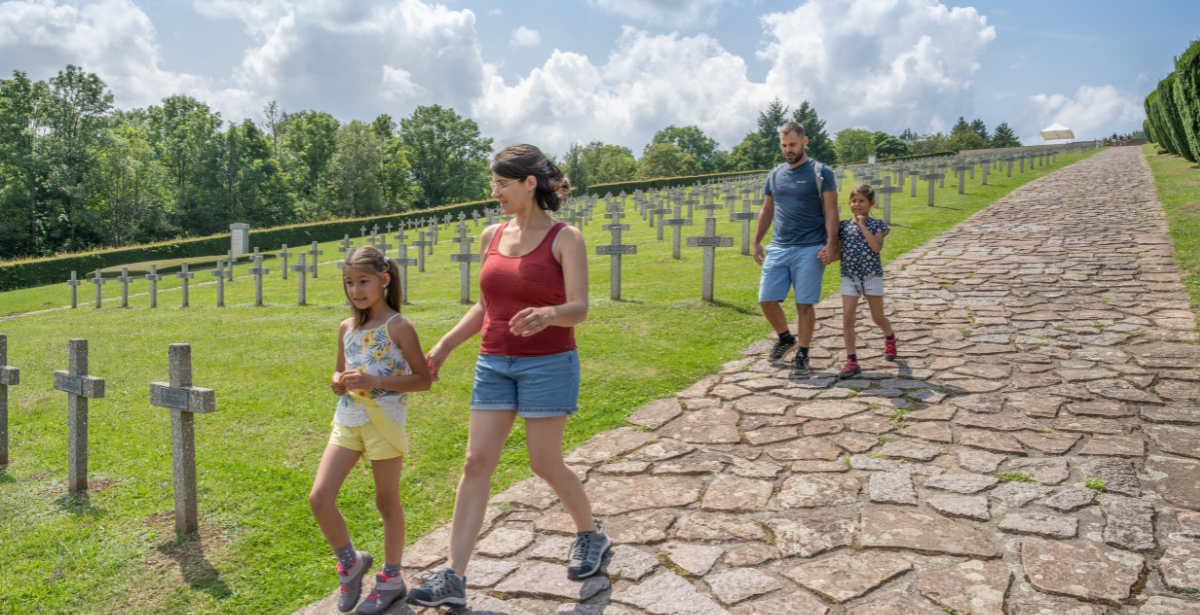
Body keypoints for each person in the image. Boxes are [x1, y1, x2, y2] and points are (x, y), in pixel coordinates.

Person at [407, 144, 609, 609]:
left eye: (501, 184)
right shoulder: (490, 236)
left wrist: (549, 314)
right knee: (475, 463)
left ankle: (590, 535)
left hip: (549, 363)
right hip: (493, 362)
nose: (494, 192)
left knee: (544, 462)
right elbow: (484, 306)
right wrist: (444, 345)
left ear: (529, 183)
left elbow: (579, 307)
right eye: (493, 184)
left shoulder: (565, 238)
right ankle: (454, 576)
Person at [309, 246, 432, 614]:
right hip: (348, 419)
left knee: (385, 501)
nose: (355, 290)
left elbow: (423, 380)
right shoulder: (346, 327)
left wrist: (372, 378)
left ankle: (391, 579)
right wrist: (337, 381)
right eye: (349, 283)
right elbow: (339, 370)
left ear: (384, 280)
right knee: (319, 498)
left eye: (363, 281)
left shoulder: (399, 327)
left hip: (385, 422)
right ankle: (351, 564)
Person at [753, 121, 840, 376]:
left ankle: (803, 351)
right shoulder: (775, 174)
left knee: (804, 304)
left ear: (805, 141)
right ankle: (785, 339)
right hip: (778, 247)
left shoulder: (821, 172)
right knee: (766, 299)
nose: (788, 149)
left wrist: (831, 243)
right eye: (783, 145)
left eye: (792, 144)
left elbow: (832, 210)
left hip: (810, 247)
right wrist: (757, 241)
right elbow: (767, 210)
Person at [835, 184, 897, 379]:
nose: (857, 204)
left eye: (862, 201)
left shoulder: (877, 225)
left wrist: (862, 225)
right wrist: (828, 256)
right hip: (850, 277)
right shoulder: (843, 226)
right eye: (854, 201)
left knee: (877, 317)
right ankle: (852, 360)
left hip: (871, 276)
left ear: (871, 203)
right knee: (847, 317)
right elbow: (839, 253)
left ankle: (890, 337)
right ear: (849, 203)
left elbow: (877, 247)